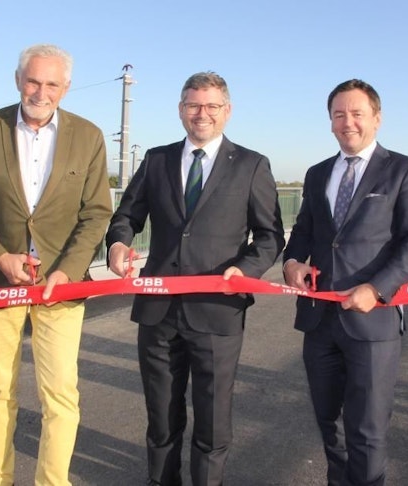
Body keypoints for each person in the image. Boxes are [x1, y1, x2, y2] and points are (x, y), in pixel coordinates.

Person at [106, 71, 285, 486]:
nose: (201, 114)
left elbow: (270, 235)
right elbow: (127, 215)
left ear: (227, 111)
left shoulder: (252, 165)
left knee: (212, 419)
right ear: (181, 109)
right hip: (158, 312)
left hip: (217, 310)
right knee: (161, 417)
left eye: (211, 106)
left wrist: (247, 269)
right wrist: (118, 244)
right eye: (192, 105)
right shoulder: (156, 159)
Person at [0, 43, 112, 486]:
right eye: (34, 81)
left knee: (60, 395)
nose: (41, 91)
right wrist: (1, 256)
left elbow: (97, 212)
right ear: (18, 80)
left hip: (62, 285)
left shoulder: (89, 136)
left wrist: (66, 269)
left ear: (66, 87)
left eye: (52, 84)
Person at [282, 79, 408, 486]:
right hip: (318, 320)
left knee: (366, 430)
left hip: (372, 321)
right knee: (329, 425)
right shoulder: (316, 174)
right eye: (338, 114)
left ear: (377, 119)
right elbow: (304, 231)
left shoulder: (404, 170)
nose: (347, 122)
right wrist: (292, 262)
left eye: (357, 113)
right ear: (330, 122)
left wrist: (378, 288)